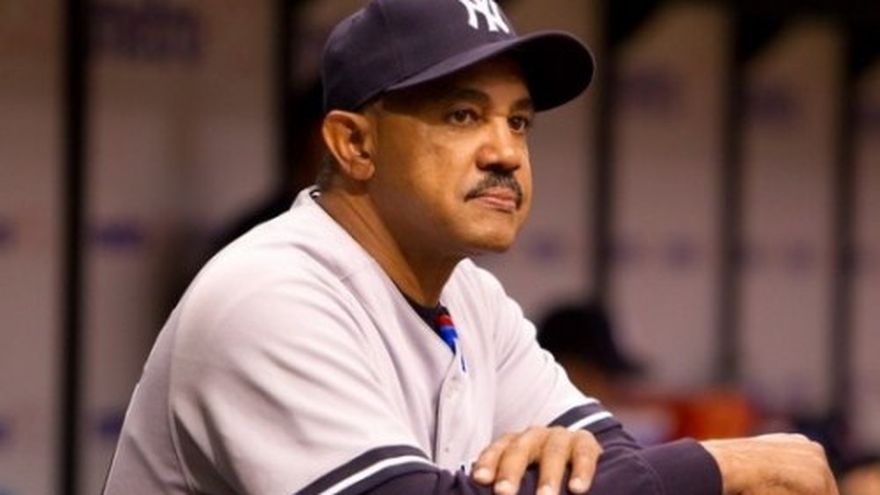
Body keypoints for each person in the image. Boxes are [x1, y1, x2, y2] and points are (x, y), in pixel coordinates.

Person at [103, 0, 839, 494]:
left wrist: (587, 471)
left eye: (518, 122)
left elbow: (613, 460)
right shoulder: (270, 292)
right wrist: (722, 463)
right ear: (354, 144)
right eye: (462, 114)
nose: (506, 152)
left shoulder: (471, 296)